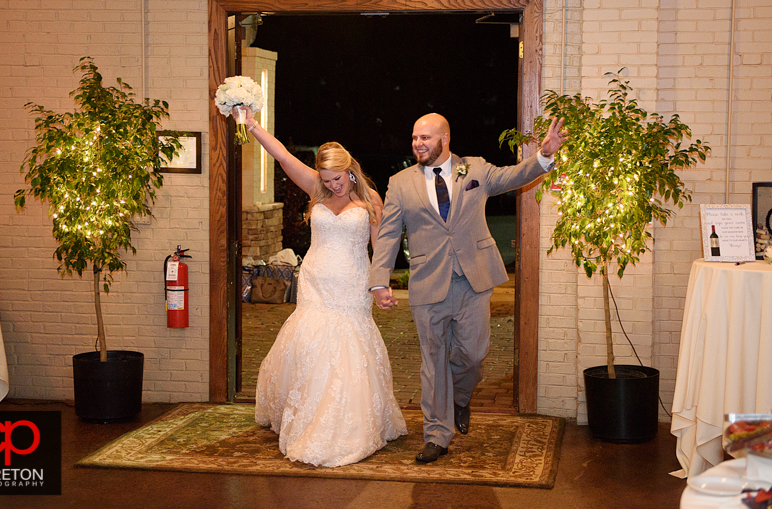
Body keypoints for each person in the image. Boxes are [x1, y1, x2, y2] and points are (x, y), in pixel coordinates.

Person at [369, 112, 568, 464]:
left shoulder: (474, 169)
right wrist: (379, 281)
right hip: (428, 284)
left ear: (445, 138)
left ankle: (460, 397)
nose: (418, 144)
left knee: (473, 354)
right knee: (433, 362)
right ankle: (436, 434)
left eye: (425, 138)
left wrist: (544, 156)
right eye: (415, 138)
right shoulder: (400, 182)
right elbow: (387, 234)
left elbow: (513, 176)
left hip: (473, 280)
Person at [234, 106, 407, 467]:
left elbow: (381, 247)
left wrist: (381, 286)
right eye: (327, 180)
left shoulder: (370, 200)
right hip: (315, 282)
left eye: (337, 178)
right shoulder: (315, 187)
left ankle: (346, 422)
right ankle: (307, 415)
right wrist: (252, 125)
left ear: (349, 168)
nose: (332, 185)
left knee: (347, 348)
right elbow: (281, 155)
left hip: (352, 286)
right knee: (313, 345)